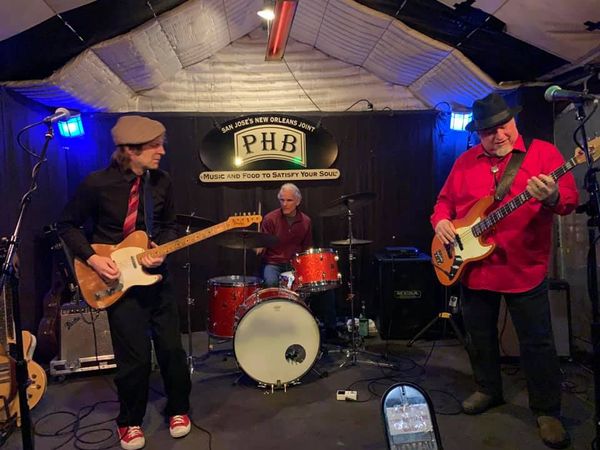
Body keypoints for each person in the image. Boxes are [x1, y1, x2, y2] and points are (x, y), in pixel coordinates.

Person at [431, 93, 578, 449]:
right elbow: (443, 202)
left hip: (524, 269)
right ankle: (488, 389)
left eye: (503, 126)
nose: (498, 135)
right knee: (478, 337)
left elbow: (568, 201)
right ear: (477, 134)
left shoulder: (543, 154)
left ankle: (547, 411)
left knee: (537, 342)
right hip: (475, 269)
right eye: (488, 131)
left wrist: (552, 196)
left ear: (515, 121)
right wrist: (441, 222)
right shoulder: (464, 162)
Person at [57, 115, 192, 450]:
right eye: (154, 146)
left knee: (172, 350)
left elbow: (170, 225)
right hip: (117, 281)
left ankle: (179, 409)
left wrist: (161, 248)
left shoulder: (162, 182)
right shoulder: (96, 184)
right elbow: (67, 225)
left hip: (157, 279)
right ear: (130, 150)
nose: (162, 151)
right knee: (134, 358)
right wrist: (92, 258)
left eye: (161, 144)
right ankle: (129, 421)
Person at [258, 183, 339, 342]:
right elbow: (261, 245)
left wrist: (308, 269)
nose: (284, 204)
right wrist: (257, 247)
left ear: (298, 201)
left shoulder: (306, 221)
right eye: (282, 200)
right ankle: (273, 328)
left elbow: (307, 248)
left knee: (326, 286)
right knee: (270, 282)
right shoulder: (270, 219)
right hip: (274, 263)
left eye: (289, 200)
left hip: (296, 264)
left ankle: (331, 329)